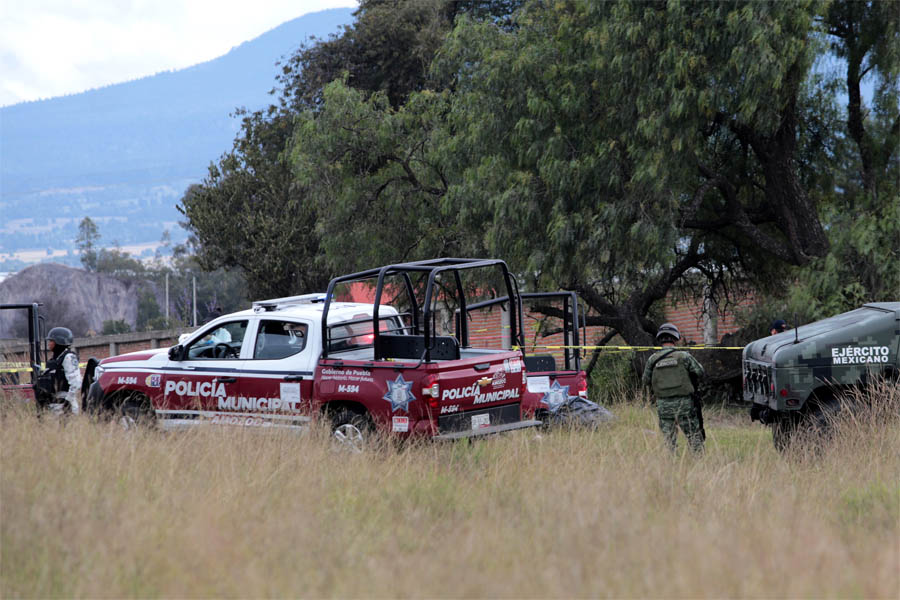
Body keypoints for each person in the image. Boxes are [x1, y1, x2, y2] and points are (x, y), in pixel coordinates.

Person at [642, 323, 705, 453]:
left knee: (669, 441)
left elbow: (645, 380)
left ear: (660, 339)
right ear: (676, 338)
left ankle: (672, 466)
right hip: (685, 404)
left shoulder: (652, 359)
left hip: (663, 406)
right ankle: (699, 465)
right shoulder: (684, 356)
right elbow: (700, 372)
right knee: (694, 438)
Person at [37, 326, 82, 415]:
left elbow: (76, 382)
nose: (49, 343)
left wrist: (68, 401)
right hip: (54, 403)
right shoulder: (55, 359)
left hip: (65, 405)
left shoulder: (68, 357)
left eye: (51, 341)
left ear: (59, 342)